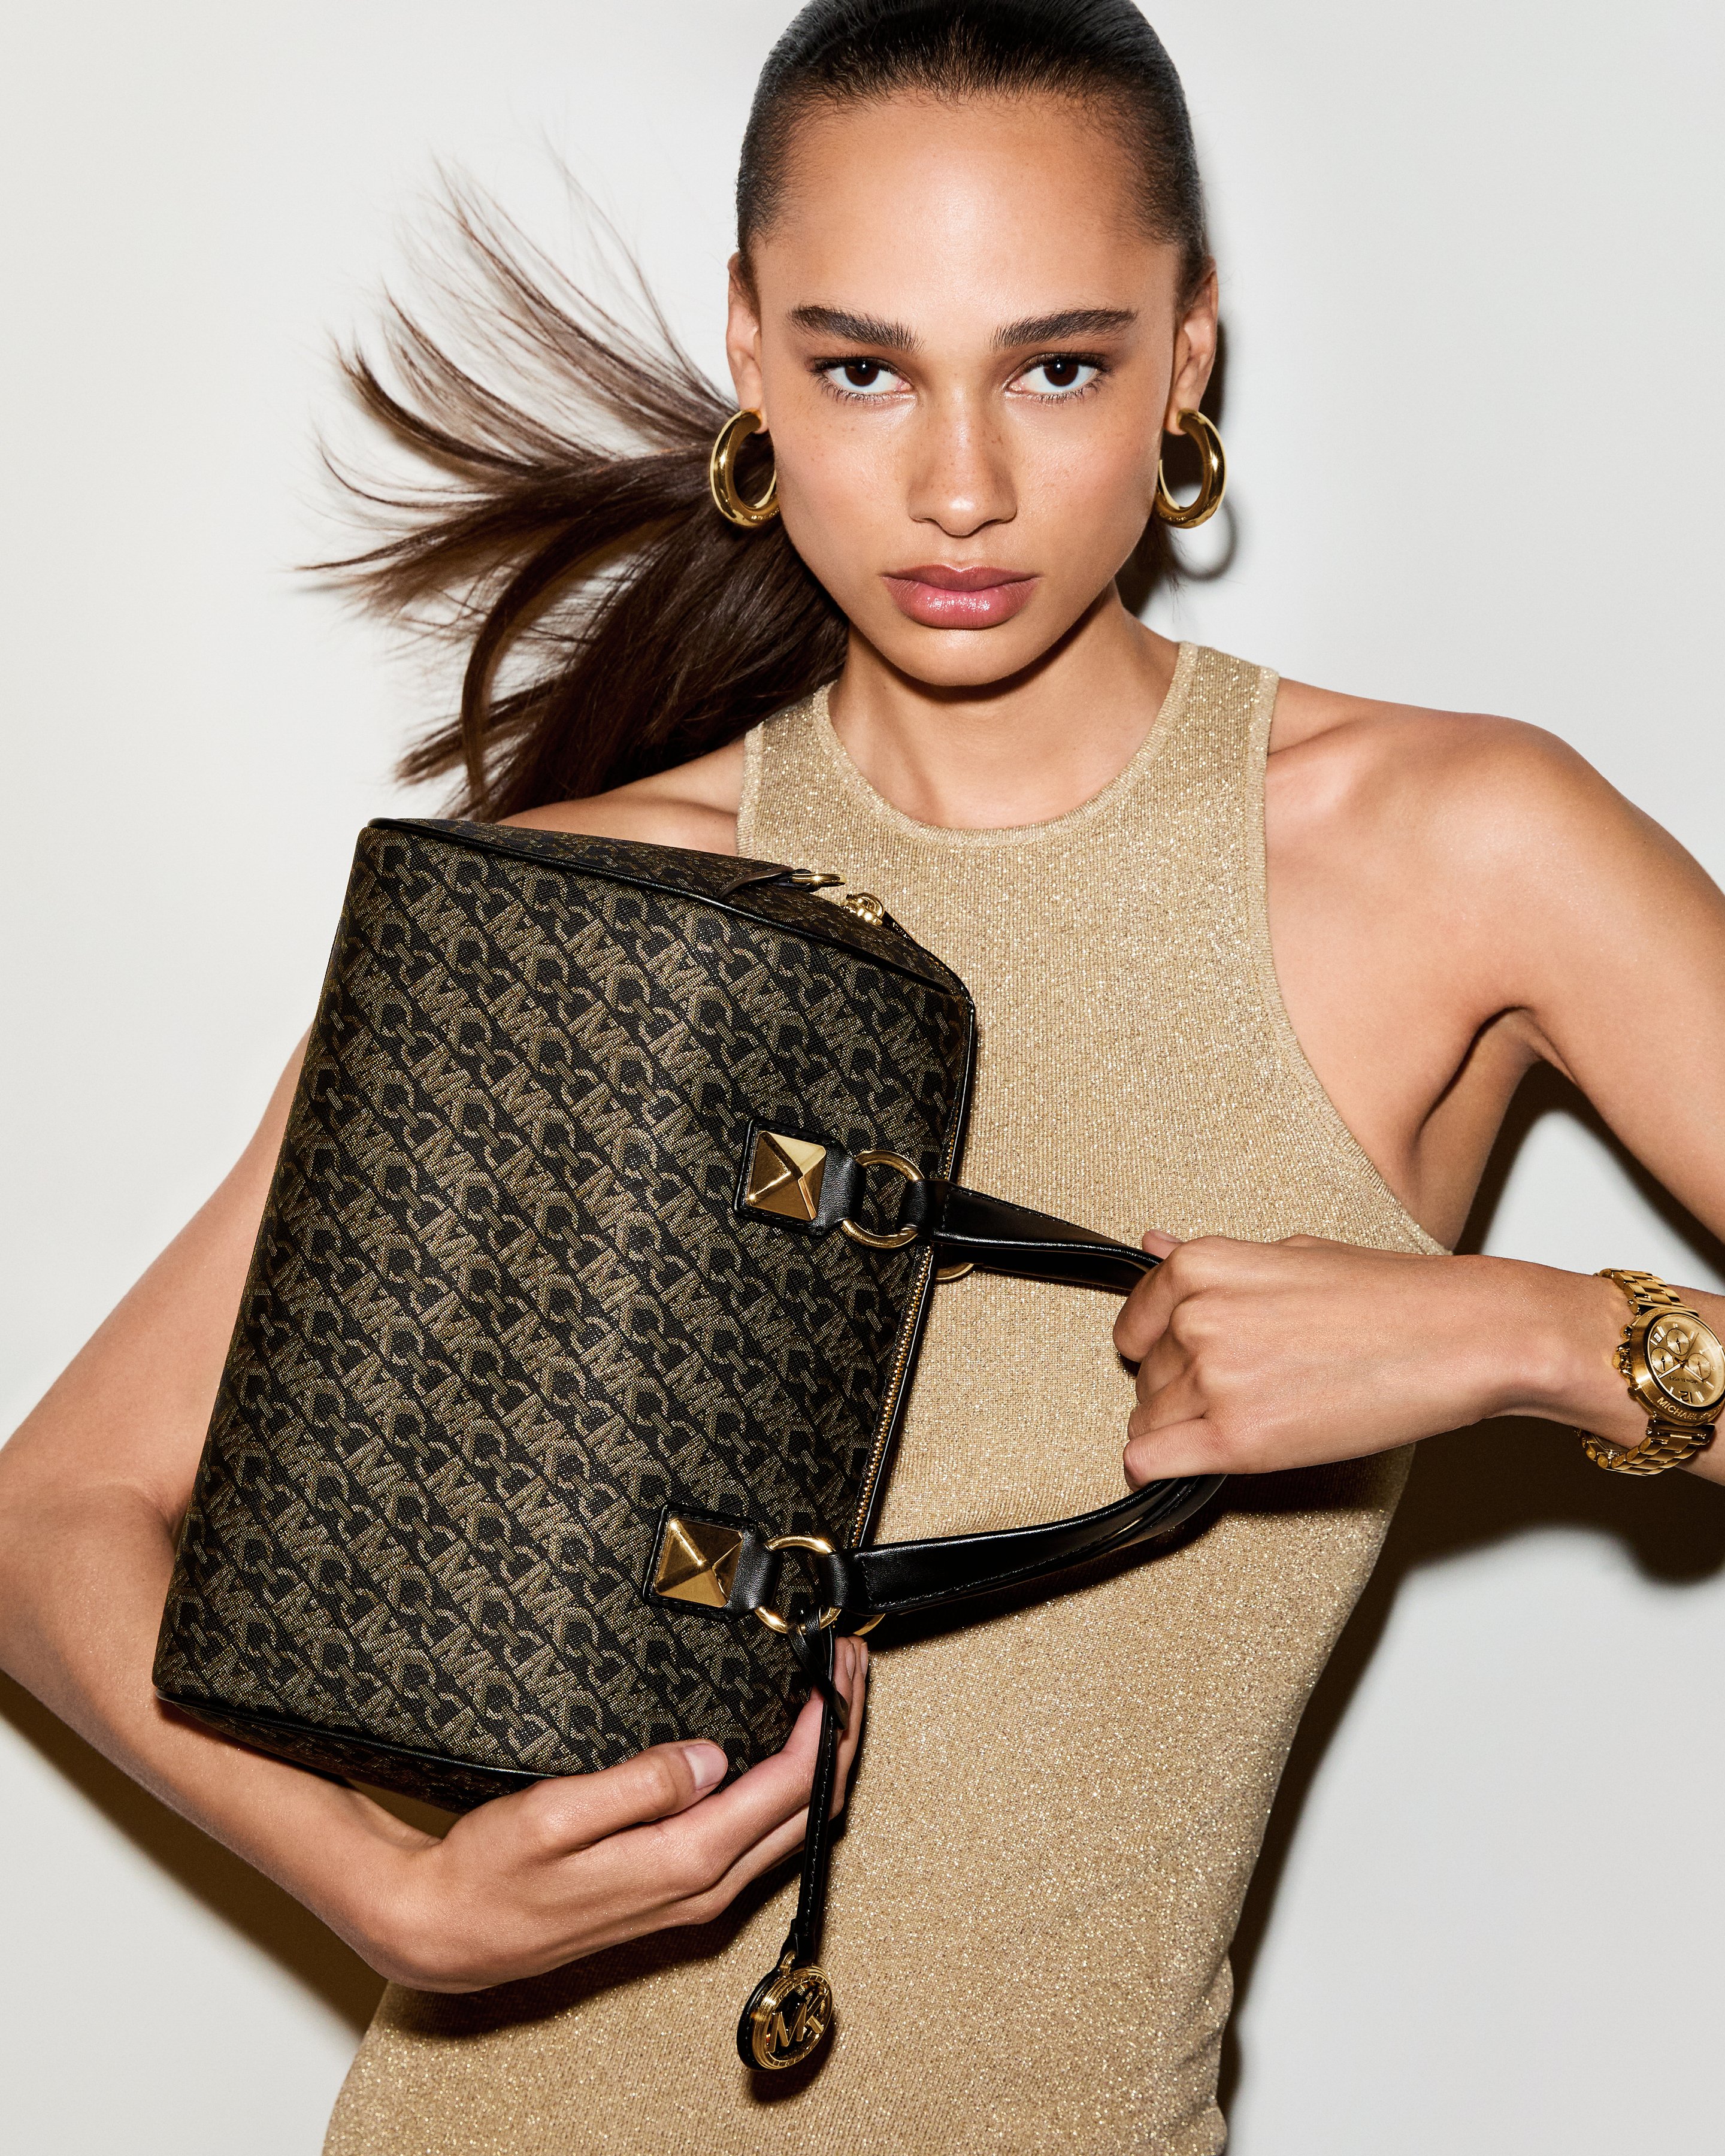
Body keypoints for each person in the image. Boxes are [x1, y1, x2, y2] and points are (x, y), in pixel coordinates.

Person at [3, 1, 1722, 2149]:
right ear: (750, 348)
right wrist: (395, 1895)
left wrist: (1535, 1342)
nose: (962, 485)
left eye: (1058, 366)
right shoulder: (573, 908)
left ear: (1190, 351)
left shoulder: (1459, 852)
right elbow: (53, 1515)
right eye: (864, 370)